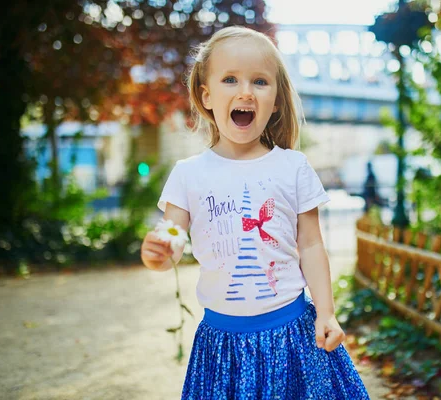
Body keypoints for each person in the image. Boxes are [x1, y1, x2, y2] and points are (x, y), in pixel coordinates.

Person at [140, 26, 370, 399]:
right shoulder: (188, 174)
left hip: (291, 335)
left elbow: (311, 246)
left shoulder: (293, 168)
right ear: (207, 95)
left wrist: (326, 313)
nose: (245, 91)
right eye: (230, 79)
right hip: (221, 346)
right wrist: (159, 254)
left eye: (260, 82)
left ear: (276, 100)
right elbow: (173, 238)